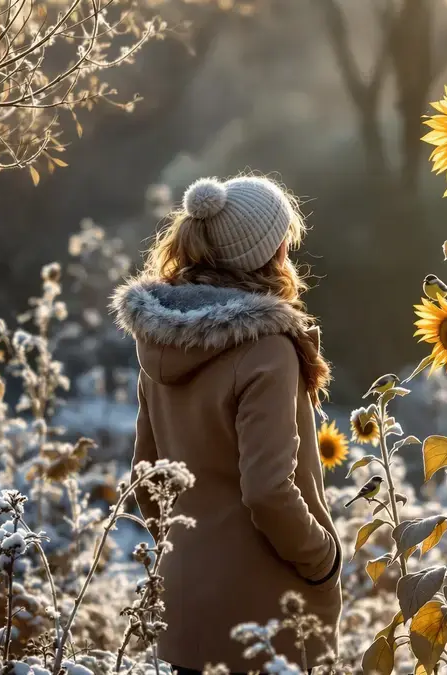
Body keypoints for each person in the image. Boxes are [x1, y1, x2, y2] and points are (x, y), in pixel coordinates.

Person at [111, 175, 341, 674]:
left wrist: (186, 554)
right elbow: (268, 491)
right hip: (263, 617)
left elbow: (146, 478)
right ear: (274, 251)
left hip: (180, 609)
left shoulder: (160, 338)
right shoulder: (266, 348)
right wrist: (322, 560)